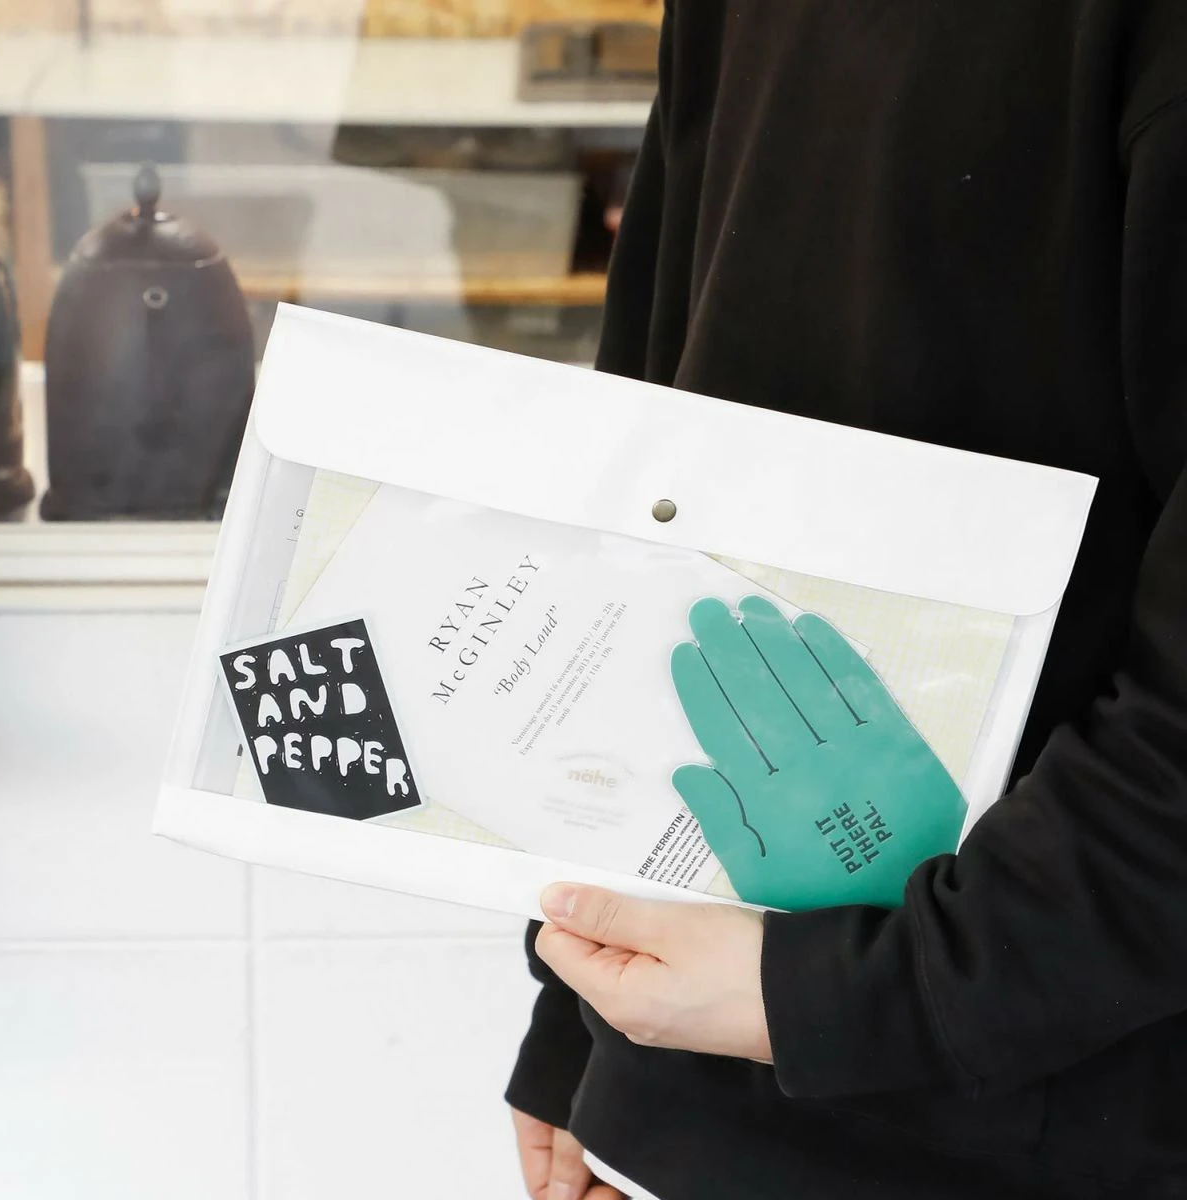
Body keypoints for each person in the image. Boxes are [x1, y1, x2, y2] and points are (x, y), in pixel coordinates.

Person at [505, 2, 1187, 1198]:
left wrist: (841, 996)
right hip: (698, 1079)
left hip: (1053, 1119)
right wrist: (575, 1013)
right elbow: (658, 412)